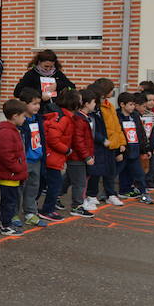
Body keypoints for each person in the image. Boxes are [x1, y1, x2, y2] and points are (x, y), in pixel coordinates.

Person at [0, 100, 28, 237]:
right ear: (15, 116)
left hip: (13, 174)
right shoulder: (7, 132)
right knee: (9, 202)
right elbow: (6, 155)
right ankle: (5, 226)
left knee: (11, 201)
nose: (25, 119)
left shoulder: (12, 130)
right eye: (23, 116)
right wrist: (18, 168)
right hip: (9, 174)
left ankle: (7, 223)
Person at [39, 89, 76, 221]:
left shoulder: (65, 117)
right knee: (55, 184)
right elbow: (53, 139)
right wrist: (66, 150)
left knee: (47, 184)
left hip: (55, 157)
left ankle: (45, 208)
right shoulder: (63, 118)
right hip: (53, 156)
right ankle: (47, 210)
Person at [17, 88, 48, 226]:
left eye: (39, 103)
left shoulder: (38, 118)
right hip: (24, 161)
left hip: (37, 159)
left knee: (33, 187)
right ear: (24, 104)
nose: (37, 106)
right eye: (34, 104)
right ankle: (13, 214)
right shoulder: (20, 122)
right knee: (18, 188)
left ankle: (30, 212)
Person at [116, 92, 153, 203]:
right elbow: (115, 133)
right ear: (122, 104)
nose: (133, 107)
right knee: (117, 172)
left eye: (134, 105)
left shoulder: (135, 116)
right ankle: (112, 193)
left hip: (135, 150)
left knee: (139, 174)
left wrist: (145, 149)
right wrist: (118, 150)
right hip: (123, 151)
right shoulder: (116, 116)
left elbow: (141, 133)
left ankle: (144, 194)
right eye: (131, 105)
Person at [68, 89, 98, 217]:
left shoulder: (87, 118)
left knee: (70, 180)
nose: (95, 105)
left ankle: (56, 197)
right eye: (93, 102)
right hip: (77, 157)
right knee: (79, 183)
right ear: (86, 104)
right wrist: (86, 156)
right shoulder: (79, 119)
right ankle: (77, 206)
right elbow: (78, 141)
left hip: (82, 156)